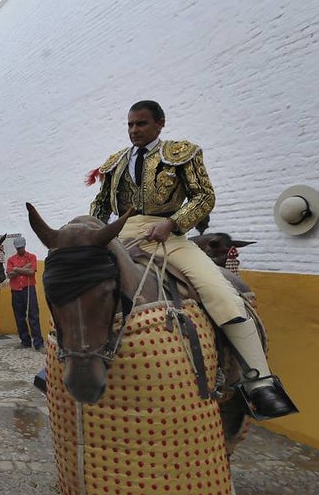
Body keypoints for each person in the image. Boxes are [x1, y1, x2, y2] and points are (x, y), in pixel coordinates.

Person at [89, 100, 296, 420]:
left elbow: (204, 196)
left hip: (168, 237)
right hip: (120, 236)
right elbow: (100, 207)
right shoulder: (115, 162)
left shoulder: (182, 154)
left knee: (220, 291)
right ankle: (63, 365)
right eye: (130, 125)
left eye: (141, 124)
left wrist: (172, 223)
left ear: (160, 124)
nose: (134, 131)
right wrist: (94, 237)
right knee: (79, 287)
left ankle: (260, 381)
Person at [6, 236, 44, 351]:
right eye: (18, 248)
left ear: (24, 246)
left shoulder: (31, 257)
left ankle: (38, 343)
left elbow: (31, 271)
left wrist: (16, 269)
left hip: (29, 289)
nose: (19, 250)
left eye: (21, 248)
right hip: (16, 291)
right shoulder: (11, 259)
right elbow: (10, 275)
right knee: (19, 317)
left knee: (33, 316)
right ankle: (25, 341)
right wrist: (23, 268)